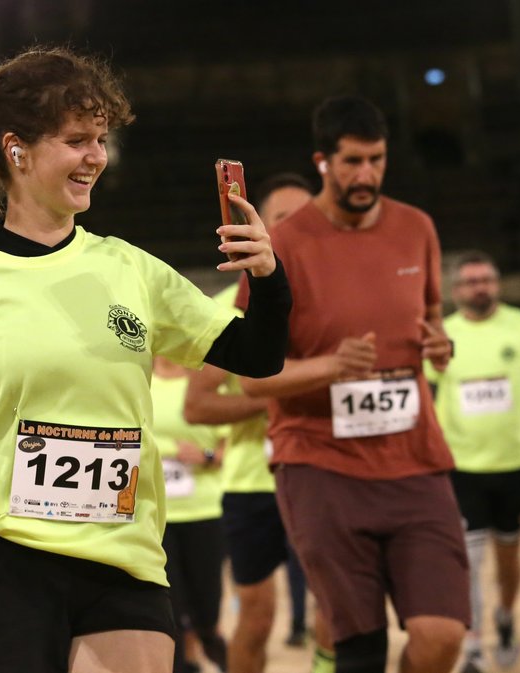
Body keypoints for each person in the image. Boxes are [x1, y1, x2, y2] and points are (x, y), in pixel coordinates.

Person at [0, 3, 290, 671]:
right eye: (77, 140)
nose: (97, 156)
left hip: (123, 556)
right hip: (0, 560)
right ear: (17, 149)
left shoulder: (133, 269)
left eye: (100, 138)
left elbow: (257, 356)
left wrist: (270, 276)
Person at [236, 95, 469, 673]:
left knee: (442, 636)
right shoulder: (281, 246)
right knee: (358, 651)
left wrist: (442, 345)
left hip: (415, 462)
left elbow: (433, 319)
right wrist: (331, 367)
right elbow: (250, 380)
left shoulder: (417, 228)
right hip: (321, 465)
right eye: (352, 161)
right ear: (323, 161)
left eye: (377, 160)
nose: (366, 174)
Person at [184, 173, 335, 673]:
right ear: (260, 225)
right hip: (253, 481)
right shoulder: (230, 308)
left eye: (304, 218)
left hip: (326, 470)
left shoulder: (336, 303)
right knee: (257, 615)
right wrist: (274, 394)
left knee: (337, 608)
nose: (295, 228)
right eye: (282, 220)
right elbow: (197, 406)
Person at [426, 251, 520, 672]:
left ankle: (505, 616)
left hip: (518, 467)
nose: (479, 287)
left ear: (497, 284)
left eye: (486, 279)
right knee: (467, 560)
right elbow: (427, 402)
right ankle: (473, 647)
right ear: (455, 291)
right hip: (463, 470)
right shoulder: (442, 333)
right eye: (470, 281)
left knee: (509, 554)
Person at [151, 356, 228, 673]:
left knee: (206, 610)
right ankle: (184, 665)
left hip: (204, 511)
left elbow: (228, 449)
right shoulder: (140, 378)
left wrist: (205, 454)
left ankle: (216, 649)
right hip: (156, 518)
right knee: (171, 608)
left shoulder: (202, 382)